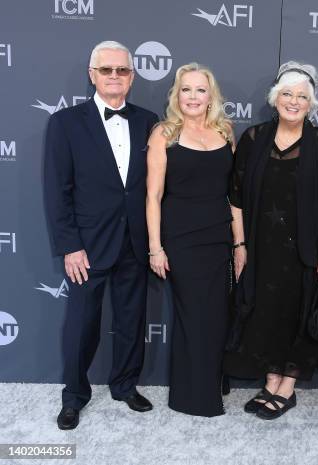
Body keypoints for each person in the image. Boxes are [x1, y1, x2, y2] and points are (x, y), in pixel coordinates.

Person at [223, 61, 318, 420]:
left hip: (304, 253)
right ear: (275, 98)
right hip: (261, 250)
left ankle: (287, 388)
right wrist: (240, 245)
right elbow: (235, 198)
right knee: (265, 315)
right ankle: (271, 379)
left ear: (312, 104)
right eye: (287, 94)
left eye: (302, 97)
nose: (294, 101)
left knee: (296, 315)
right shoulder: (253, 139)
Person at [44, 41, 158, 430]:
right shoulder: (65, 123)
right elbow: (57, 191)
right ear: (92, 75)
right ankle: (74, 396)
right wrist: (69, 245)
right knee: (81, 326)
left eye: (122, 70)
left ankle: (126, 385)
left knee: (131, 320)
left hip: (135, 241)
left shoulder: (148, 120)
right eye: (106, 70)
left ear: (132, 77)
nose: (114, 76)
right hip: (88, 246)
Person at [146, 63, 234, 417]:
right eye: (186, 89)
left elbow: (234, 195)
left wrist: (239, 243)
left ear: (210, 95)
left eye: (200, 90)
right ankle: (191, 396)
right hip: (181, 238)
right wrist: (156, 247)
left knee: (215, 316)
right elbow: (153, 196)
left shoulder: (225, 132)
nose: (193, 97)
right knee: (194, 315)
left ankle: (211, 384)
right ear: (176, 95)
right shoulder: (164, 134)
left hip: (219, 237)